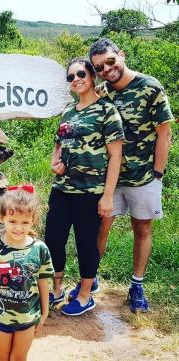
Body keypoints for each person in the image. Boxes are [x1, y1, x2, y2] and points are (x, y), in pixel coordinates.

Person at [89, 38, 174, 313]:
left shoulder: (150, 87)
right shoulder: (101, 93)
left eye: (110, 61)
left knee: (142, 229)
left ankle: (137, 285)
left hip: (143, 177)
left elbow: (164, 133)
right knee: (100, 228)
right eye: (99, 67)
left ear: (121, 55)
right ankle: (91, 279)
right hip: (109, 179)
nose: (106, 69)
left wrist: (158, 175)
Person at [45, 57, 124, 316]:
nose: (76, 79)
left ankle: (85, 294)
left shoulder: (106, 111)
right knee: (53, 240)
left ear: (92, 76)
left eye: (80, 74)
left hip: (90, 192)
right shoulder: (68, 111)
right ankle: (56, 289)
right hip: (62, 189)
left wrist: (108, 196)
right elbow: (58, 145)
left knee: (86, 243)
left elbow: (115, 155)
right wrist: (54, 163)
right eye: (71, 77)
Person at [0, 185, 53, 361]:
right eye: (12, 221)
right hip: (0, 316)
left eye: (25, 222)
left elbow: (43, 283)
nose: (18, 228)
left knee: (19, 357)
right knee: (1, 357)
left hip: (28, 317)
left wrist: (45, 313)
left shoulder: (40, 249)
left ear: (33, 220)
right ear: (1, 218)